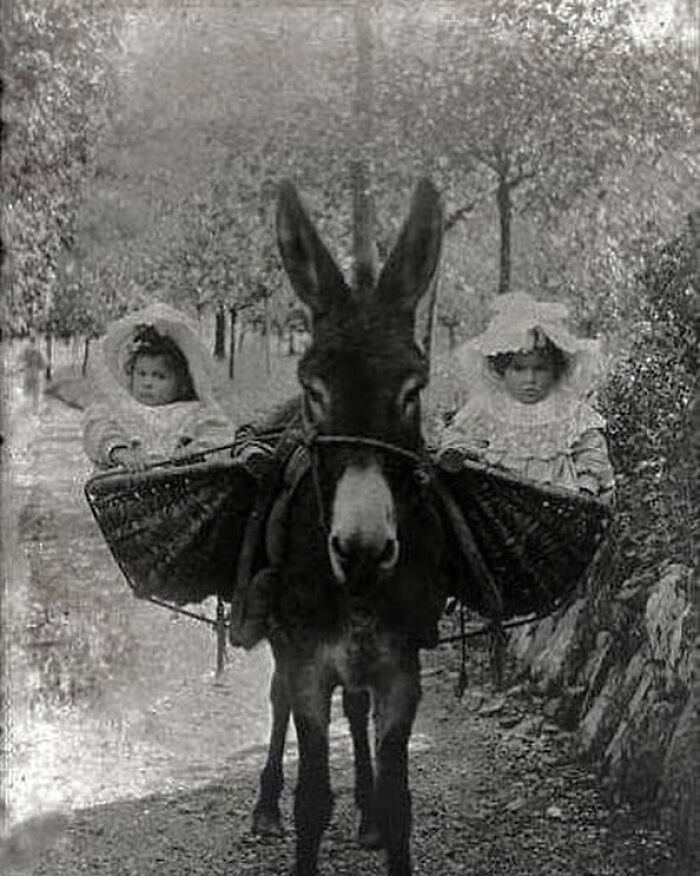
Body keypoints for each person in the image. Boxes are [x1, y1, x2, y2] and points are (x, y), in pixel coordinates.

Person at [438, 292, 614, 500]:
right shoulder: (488, 408)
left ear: (555, 371)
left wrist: (587, 486)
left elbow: (592, 451)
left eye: (540, 369)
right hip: (499, 503)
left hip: (559, 503)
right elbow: (459, 436)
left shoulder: (570, 410)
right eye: (519, 369)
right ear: (502, 370)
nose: (530, 379)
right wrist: (461, 452)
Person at [83, 302, 234, 471]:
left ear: (182, 383)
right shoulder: (120, 409)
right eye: (141, 374)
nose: (147, 383)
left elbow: (219, 434)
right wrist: (120, 452)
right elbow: (98, 431)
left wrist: (196, 451)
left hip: (183, 480)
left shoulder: (194, 412)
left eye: (159, 377)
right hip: (125, 482)